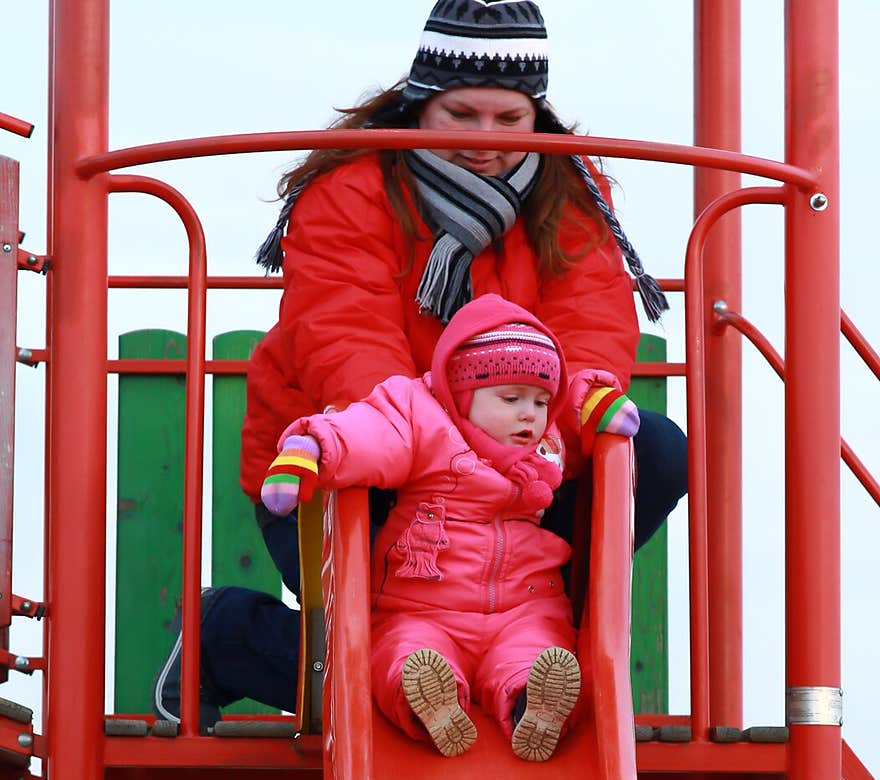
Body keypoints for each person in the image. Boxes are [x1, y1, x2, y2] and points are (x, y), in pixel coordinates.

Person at [154, 0, 687, 728]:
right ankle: (228, 638)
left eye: (508, 119)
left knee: (653, 448)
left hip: (517, 479)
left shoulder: (568, 193)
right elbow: (346, 340)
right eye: (460, 115)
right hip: (371, 461)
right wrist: (446, 454)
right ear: (418, 104)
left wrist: (525, 445)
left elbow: (589, 332)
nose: (484, 139)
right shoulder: (353, 187)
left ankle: (543, 667)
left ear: (538, 118)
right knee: (390, 648)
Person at [260, 294, 640, 760]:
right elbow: (368, 433)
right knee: (402, 651)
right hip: (423, 607)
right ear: (462, 394)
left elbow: (575, 400)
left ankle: (532, 705)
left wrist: (595, 400)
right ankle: (426, 701)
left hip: (523, 608)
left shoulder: (541, 448)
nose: (530, 414)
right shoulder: (423, 420)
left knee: (538, 651)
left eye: (540, 401)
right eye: (511, 398)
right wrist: (312, 449)